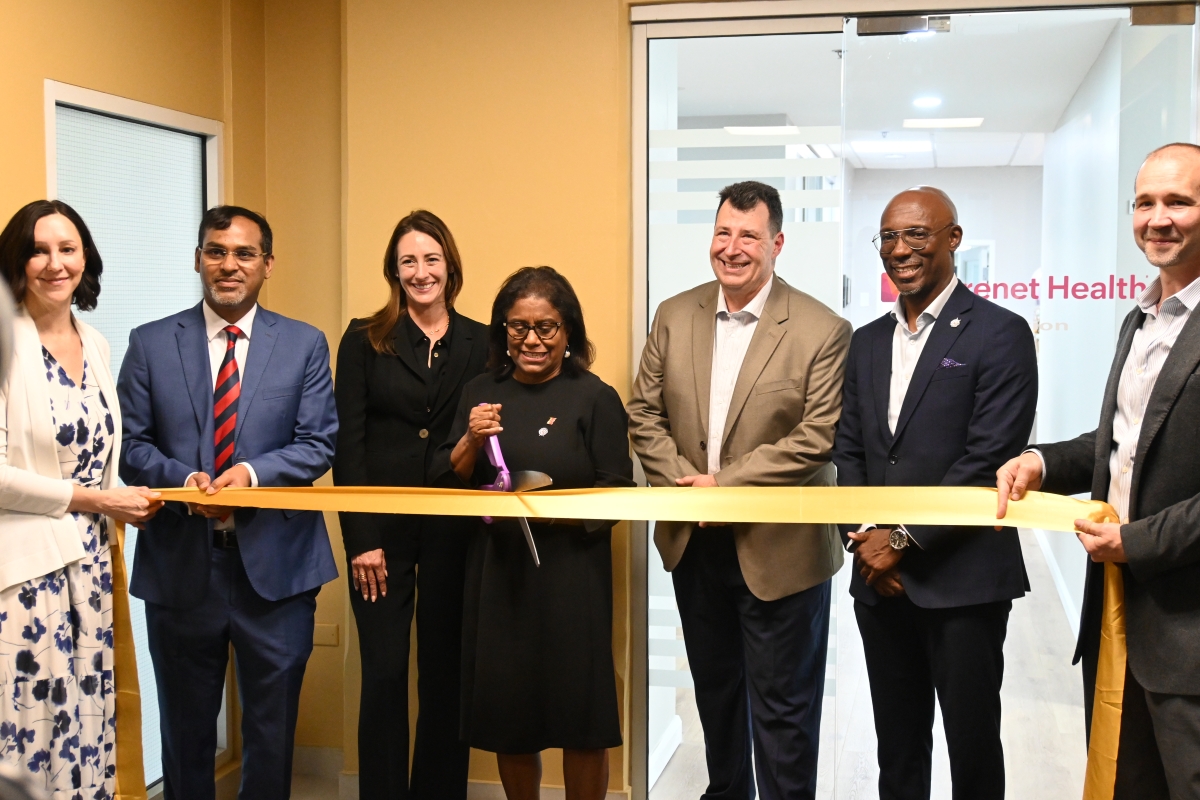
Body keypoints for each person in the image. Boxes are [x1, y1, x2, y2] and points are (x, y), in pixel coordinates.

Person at [628, 181, 851, 799]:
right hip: (694, 546)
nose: (733, 248)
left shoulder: (822, 328)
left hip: (780, 552)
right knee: (716, 697)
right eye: (723, 233)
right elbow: (642, 413)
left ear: (777, 243)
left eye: (748, 235)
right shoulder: (675, 315)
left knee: (783, 713)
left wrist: (721, 486)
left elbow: (817, 437)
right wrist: (687, 487)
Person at [998, 143, 1200, 799]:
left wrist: (1134, 541)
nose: (1158, 218)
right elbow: (1120, 445)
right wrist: (1040, 459)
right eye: (1145, 202)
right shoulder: (1138, 322)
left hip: (1187, 634)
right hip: (1117, 618)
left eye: (1180, 202)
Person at [117, 205, 338, 800]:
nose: (229, 265)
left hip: (279, 567)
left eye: (244, 253)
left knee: (272, 730)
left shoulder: (303, 343)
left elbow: (318, 443)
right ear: (197, 260)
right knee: (186, 732)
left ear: (267, 264)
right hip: (182, 565)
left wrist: (250, 473)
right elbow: (130, 448)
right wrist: (185, 482)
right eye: (216, 251)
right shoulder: (150, 343)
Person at [833, 187, 1037, 800]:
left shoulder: (999, 333)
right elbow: (851, 451)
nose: (901, 249)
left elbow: (987, 458)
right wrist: (870, 541)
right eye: (889, 237)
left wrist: (902, 540)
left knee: (972, 747)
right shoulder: (865, 341)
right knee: (897, 747)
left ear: (953, 238)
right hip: (878, 583)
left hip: (962, 582)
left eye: (917, 234)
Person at [435, 266, 632, 800]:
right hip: (500, 576)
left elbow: (617, 490)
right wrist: (472, 440)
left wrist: (553, 516)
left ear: (568, 331)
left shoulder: (595, 397)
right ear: (503, 331)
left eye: (546, 327)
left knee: (581, 717)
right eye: (518, 327)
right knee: (510, 715)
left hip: (572, 579)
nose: (532, 340)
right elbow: (450, 476)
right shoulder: (481, 392)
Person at [0, 200, 161, 799]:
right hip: (23, 578)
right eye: (38, 250)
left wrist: (125, 497)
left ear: (85, 257)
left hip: (91, 565)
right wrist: (95, 499)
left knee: (90, 726)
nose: (53, 263)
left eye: (66, 248)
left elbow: (100, 454)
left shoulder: (94, 342)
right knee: (32, 735)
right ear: (16, 264)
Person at [334, 210, 487, 799]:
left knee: (445, 677)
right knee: (385, 675)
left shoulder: (481, 341)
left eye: (431, 259)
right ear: (393, 271)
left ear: (449, 265)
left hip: (454, 530)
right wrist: (362, 538)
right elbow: (349, 445)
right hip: (381, 535)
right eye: (408, 261)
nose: (421, 272)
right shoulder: (363, 339)